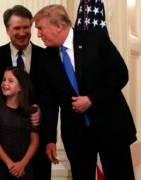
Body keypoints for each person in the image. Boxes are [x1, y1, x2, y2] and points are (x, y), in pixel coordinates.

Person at [33, 4, 137, 180]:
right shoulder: (46, 58)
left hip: (110, 127)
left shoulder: (96, 39)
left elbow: (120, 74)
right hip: (77, 136)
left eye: (41, 28)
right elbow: (48, 102)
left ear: (58, 26)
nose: (38, 34)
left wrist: (92, 99)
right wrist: (50, 139)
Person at [0, 5, 51, 180]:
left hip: (36, 133)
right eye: (17, 28)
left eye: (26, 27)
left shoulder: (47, 56)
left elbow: (53, 94)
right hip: (4, 137)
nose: (22, 32)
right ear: (7, 30)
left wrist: (41, 108)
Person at [0, 67, 39, 180]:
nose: (5, 83)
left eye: (10, 81)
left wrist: (22, 164)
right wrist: (10, 164)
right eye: (4, 79)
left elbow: (34, 142)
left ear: (21, 86)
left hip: (24, 168)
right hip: (1, 168)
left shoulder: (31, 111)